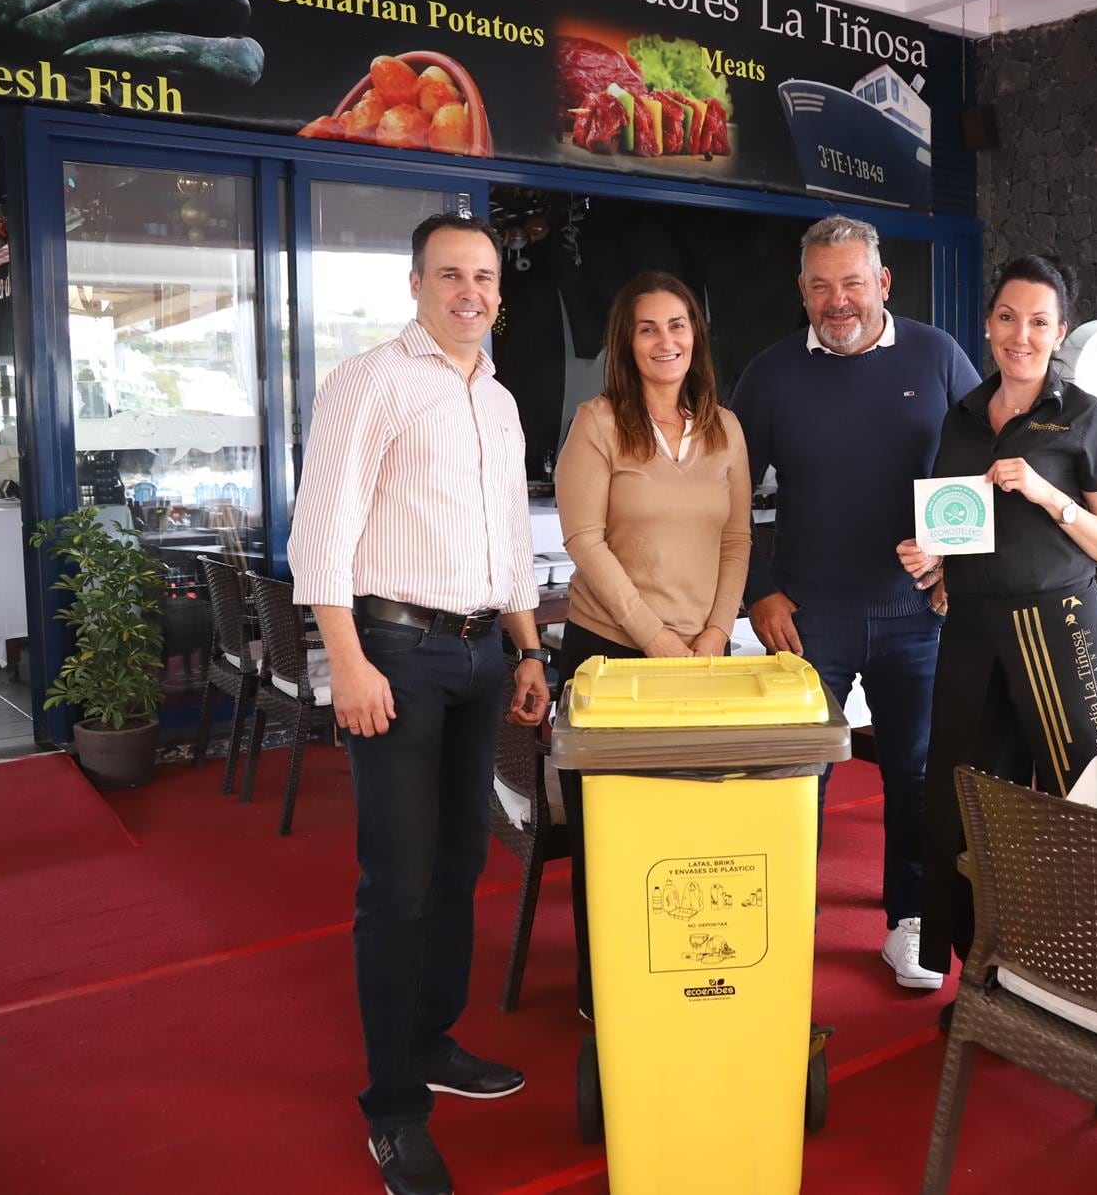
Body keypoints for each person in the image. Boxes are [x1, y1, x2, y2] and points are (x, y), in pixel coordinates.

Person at [287, 213, 550, 1195]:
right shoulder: (371, 380)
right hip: (394, 650)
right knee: (394, 884)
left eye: (483, 276)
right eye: (450, 274)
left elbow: (511, 548)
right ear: (414, 283)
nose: (469, 291)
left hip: (485, 650)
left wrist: (527, 648)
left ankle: (432, 1038)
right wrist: (345, 659)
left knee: (459, 863)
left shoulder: (498, 398)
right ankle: (393, 1108)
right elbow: (321, 529)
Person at [730, 215, 981, 992]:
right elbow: (725, 496)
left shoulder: (939, 358)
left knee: (914, 775)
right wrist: (760, 590)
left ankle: (910, 919)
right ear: (802, 291)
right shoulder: (770, 374)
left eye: (852, 282)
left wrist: (956, 562)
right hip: (809, 619)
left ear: (883, 283)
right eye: (821, 285)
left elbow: (983, 472)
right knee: (800, 775)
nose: (838, 301)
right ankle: (783, 921)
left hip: (917, 618)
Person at [900, 253, 1097, 979]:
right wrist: (929, 563)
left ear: (1060, 331)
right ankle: (989, 968)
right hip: (971, 630)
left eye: (1039, 321)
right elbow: (959, 535)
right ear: (988, 324)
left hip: (1057, 630)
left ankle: (1096, 968)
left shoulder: (1084, 418)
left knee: (1078, 800)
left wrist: (1047, 495)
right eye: (1008, 318)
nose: (1021, 335)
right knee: (971, 804)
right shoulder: (964, 415)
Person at [553, 270, 752, 1018]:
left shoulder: (725, 427)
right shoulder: (599, 422)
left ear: (695, 336)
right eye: (648, 327)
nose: (665, 340)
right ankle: (601, 993)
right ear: (626, 342)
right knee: (611, 836)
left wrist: (711, 634)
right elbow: (585, 541)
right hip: (613, 656)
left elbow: (738, 538)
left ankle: (682, 975)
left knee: (694, 833)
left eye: (678, 324)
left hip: (704, 662)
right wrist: (655, 637)